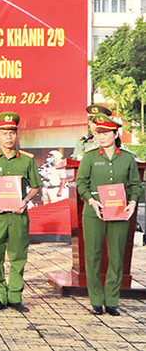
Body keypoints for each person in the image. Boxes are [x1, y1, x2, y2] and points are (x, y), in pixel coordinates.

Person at [76, 114, 142, 316]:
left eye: (106, 133)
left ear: (116, 133)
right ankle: (96, 300)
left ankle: (112, 300)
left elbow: (135, 184)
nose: (102, 137)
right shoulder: (90, 157)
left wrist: (131, 203)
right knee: (93, 256)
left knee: (116, 256)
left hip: (120, 212)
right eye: (98, 133)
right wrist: (91, 201)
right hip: (94, 212)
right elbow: (81, 183)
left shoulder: (128, 158)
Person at [0, 112, 41, 312]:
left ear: (16, 135)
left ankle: (15, 296)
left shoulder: (26, 161)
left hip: (18, 215)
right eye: (4, 133)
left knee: (18, 256)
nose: (8, 137)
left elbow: (35, 187)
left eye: (11, 133)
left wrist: (25, 200)